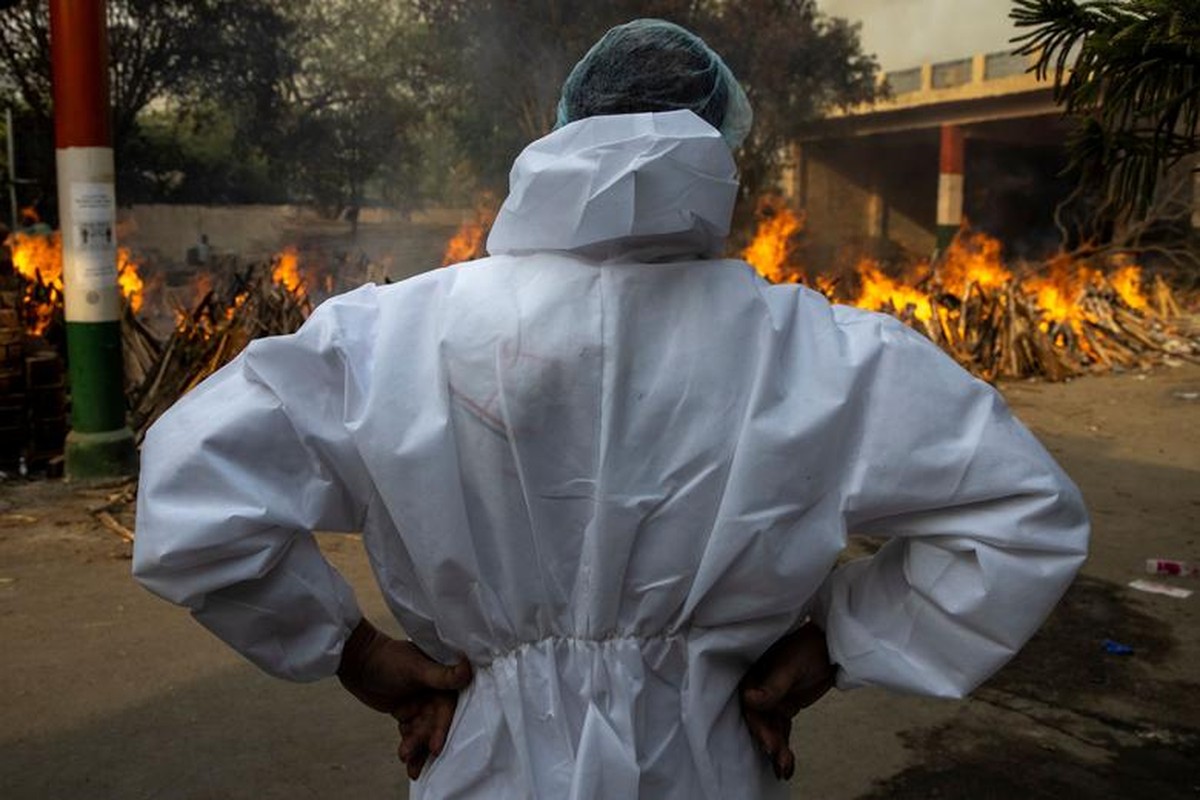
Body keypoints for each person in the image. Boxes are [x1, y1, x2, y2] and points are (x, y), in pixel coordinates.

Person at [133, 19, 1089, 800]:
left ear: (559, 136)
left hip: (482, 763)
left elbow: (194, 494)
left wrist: (351, 652)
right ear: (720, 155)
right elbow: (1019, 521)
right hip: (710, 765)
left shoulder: (391, 334)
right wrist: (836, 645)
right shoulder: (827, 351)